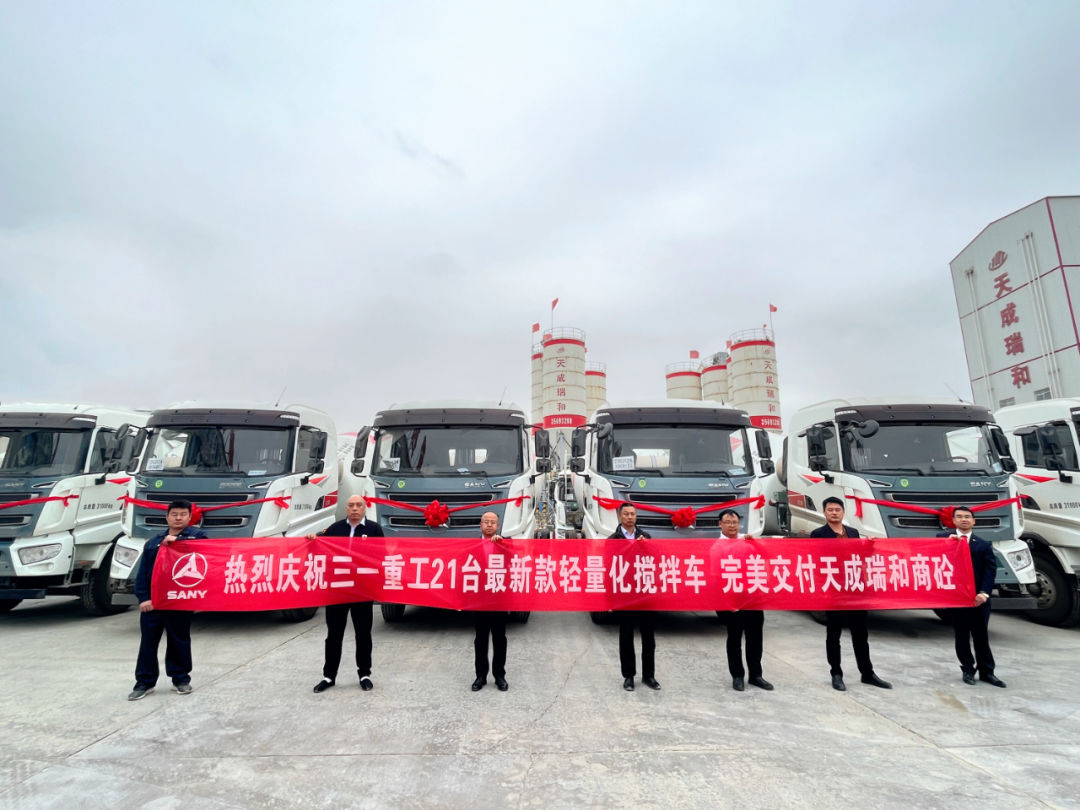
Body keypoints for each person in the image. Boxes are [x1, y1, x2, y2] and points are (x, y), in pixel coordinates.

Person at [128, 499, 208, 700]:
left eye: (183, 514)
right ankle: (144, 682)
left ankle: (181, 679)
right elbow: (143, 573)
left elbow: (205, 555)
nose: (178, 518)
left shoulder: (197, 537)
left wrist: (178, 542)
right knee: (148, 643)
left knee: (179, 641)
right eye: (174, 514)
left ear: (190, 517)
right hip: (153, 604)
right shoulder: (153, 543)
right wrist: (143, 598)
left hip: (179, 601)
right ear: (167, 517)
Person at [809, 497, 892, 691]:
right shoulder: (818, 534)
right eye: (830, 509)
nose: (834, 513)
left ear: (843, 512)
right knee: (834, 634)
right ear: (824, 512)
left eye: (837, 509)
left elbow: (859, 557)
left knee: (860, 634)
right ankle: (836, 673)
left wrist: (868, 546)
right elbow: (814, 559)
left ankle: (867, 673)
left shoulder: (853, 532)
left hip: (855, 588)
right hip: (834, 589)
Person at [309, 495, 384, 693]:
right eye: (351, 505)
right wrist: (312, 539)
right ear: (346, 508)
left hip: (362, 590)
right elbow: (319, 546)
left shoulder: (374, 529)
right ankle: (328, 676)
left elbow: (382, 556)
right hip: (338, 590)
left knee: (363, 634)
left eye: (359, 505)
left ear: (365, 508)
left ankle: (364, 674)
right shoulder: (335, 529)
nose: (355, 509)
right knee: (334, 635)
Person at [939, 506, 1005, 687]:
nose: (964, 519)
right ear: (953, 521)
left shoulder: (983, 544)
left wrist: (984, 592)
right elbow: (932, 557)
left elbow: (990, 571)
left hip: (978, 599)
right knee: (961, 636)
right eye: (959, 517)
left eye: (967, 517)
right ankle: (968, 669)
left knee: (981, 636)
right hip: (957, 599)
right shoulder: (943, 539)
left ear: (974, 521)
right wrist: (947, 543)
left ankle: (987, 672)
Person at [718, 509, 773, 691]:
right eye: (728, 522)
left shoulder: (747, 540)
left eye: (735, 522)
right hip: (732, 600)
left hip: (753, 597)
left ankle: (756, 675)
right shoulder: (717, 546)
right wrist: (725, 603)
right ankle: (737, 675)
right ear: (720, 524)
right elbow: (715, 577)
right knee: (734, 639)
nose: (732, 526)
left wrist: (756, 544)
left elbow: (767, 557)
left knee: (755, 638)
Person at [611, 502, 660, 691]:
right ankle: (629, 676)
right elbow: (609, 569)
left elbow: (654, 560)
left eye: (633, 514)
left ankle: (649, 676)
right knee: (626, 637)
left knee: (649, 638)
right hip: (625, 595)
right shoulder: (613, 539)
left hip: (645, 593)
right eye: (626, 514)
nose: (630, 517)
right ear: (619, 516)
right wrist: (610, 599)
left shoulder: (645, 536)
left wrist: (646, 546)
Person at [472, 511, 509, 692]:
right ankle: (480, 676)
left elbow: (516, 564)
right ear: (480, 525)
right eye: (486, 522)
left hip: (499, 600)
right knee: (480, 639)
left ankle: (499, 676)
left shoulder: (505, 543)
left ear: (497, 525)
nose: (489, 525)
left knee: (499, 639)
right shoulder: (471, 545)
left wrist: (503, 546)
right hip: (479, 601)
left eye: (492, 522)